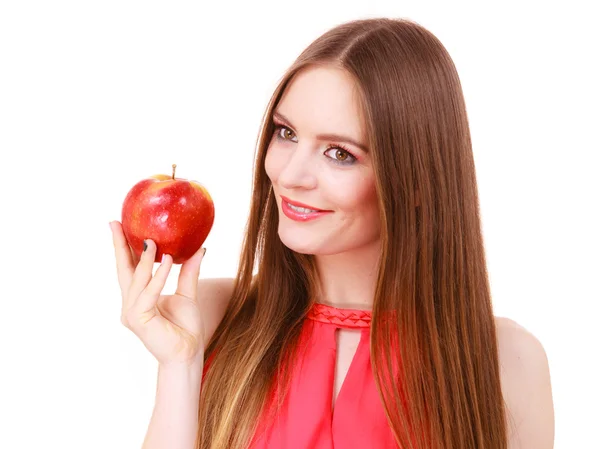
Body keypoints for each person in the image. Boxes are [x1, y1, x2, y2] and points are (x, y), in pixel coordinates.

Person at [110, 17, 554, 449]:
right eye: (286, 133)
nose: (289, 174)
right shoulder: (212, 316)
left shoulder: (505, 360)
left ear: (418, 182)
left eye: (339, 153)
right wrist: (179, 367)